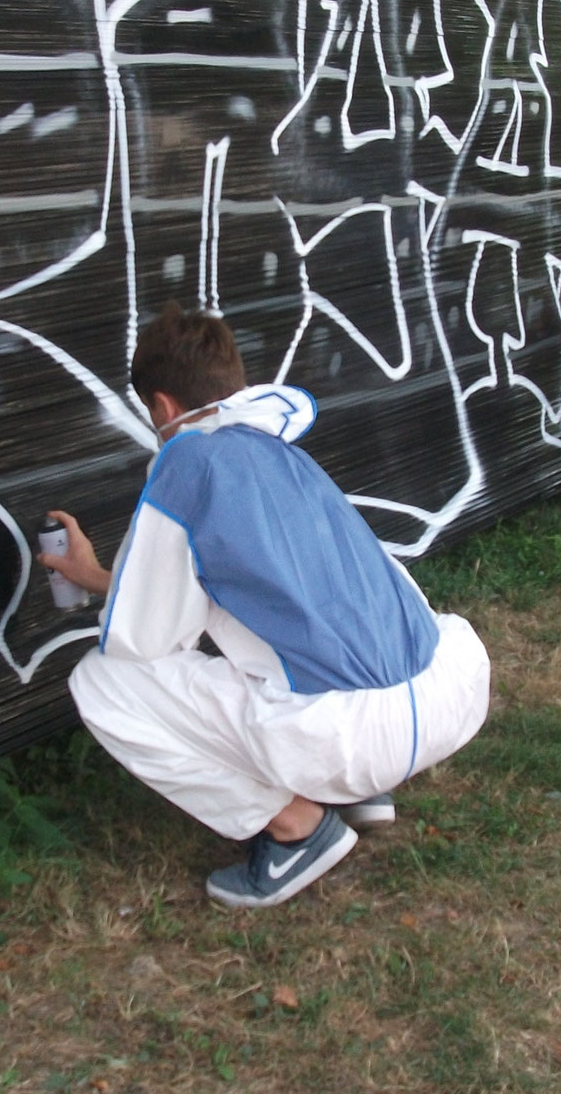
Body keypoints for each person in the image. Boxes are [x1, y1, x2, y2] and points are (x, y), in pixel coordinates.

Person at [40, 304, 491, 909]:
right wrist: (102, 576)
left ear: (163, 409)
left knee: (103, 681)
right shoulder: (282, 451)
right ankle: (363, 790)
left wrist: (102, 586)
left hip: (354, 736)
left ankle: (298, 829)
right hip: (443, 695)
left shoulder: (187, 461)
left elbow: (143, 639)